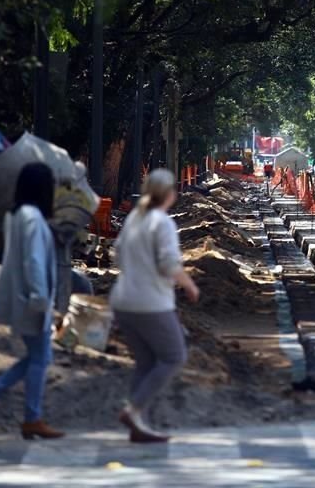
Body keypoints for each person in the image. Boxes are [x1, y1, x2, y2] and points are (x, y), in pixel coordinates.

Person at [0, 162, 64, 440]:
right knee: (39, 358)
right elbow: (33, 261)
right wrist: (40, 298)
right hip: (31, 300)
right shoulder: (33, 218)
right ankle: (31, 418)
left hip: (24, 298)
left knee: (38, 356)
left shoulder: (19, 215)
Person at [110, 168, 200, 443]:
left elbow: (117, 257)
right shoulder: (162, 223)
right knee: (174, 356)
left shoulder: (135, 218)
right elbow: (168, 264)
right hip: (150, 303)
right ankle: (133, 409)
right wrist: (189, 284)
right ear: (169, 194)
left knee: (146, 362)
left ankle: (138, 423)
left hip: (122, 301)